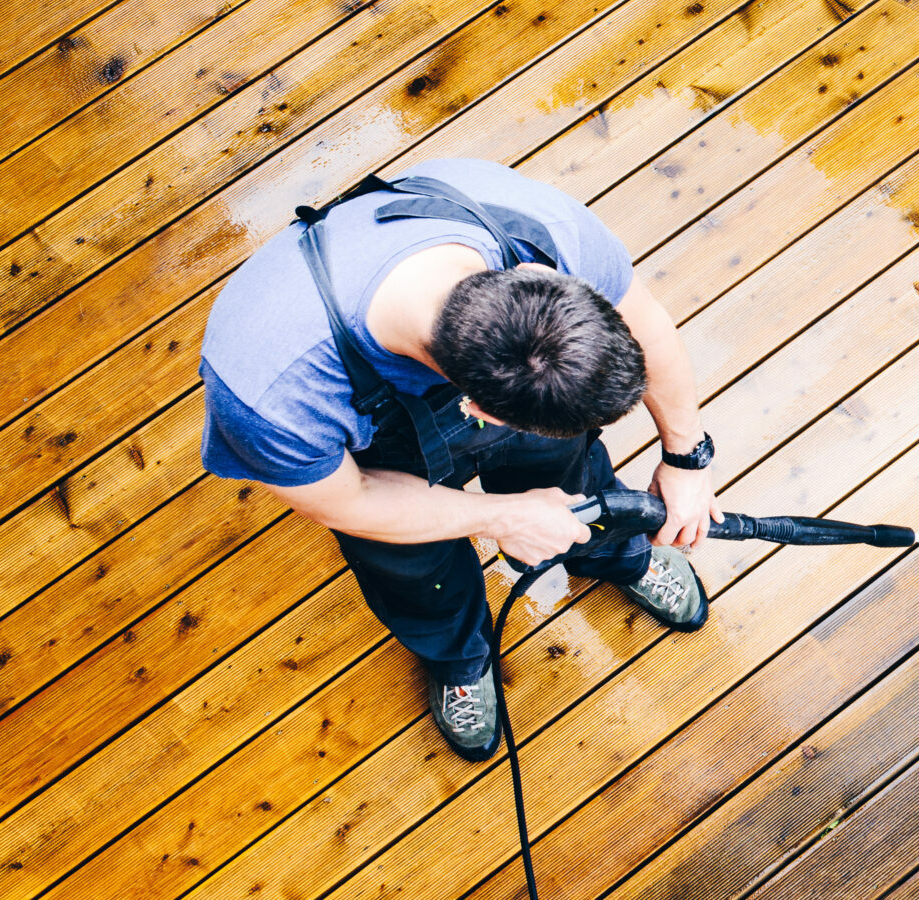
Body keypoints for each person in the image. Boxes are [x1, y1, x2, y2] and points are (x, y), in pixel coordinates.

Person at [197, 158, 721, 762]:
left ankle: (614, 550)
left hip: (494, 400)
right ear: (479, 410)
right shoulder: (270, 389)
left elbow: (645, 322)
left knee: (572, 474)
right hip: (374, 467)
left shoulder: (539, 230)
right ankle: (459, 654)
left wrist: (687, 457)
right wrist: (501, 518)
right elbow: (350, 501)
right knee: (414, 567)